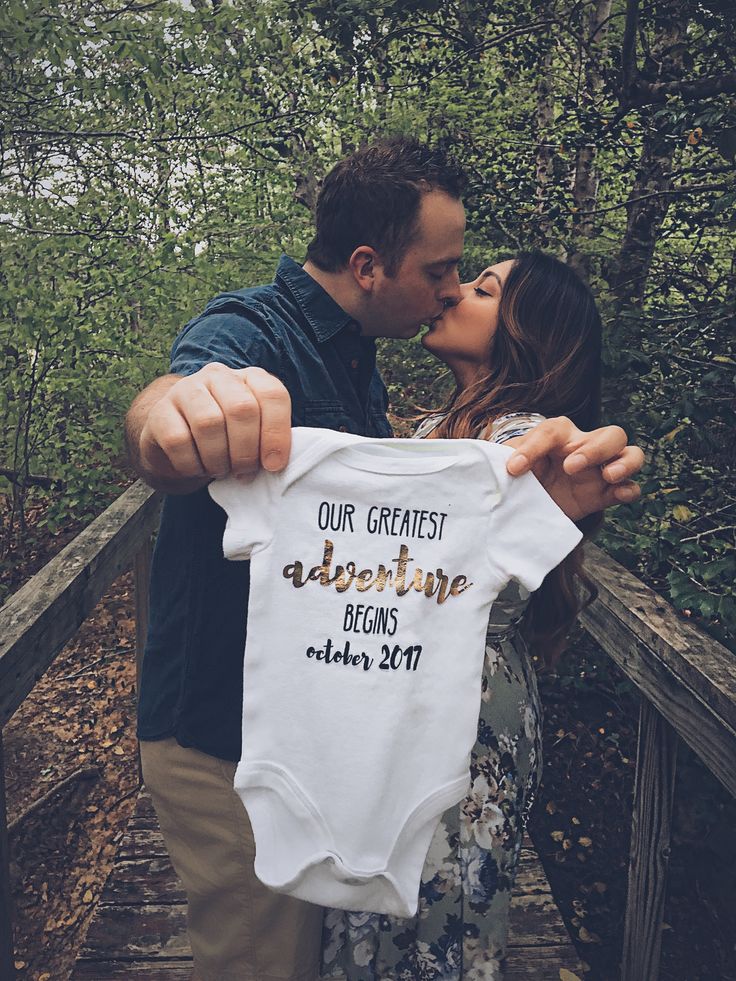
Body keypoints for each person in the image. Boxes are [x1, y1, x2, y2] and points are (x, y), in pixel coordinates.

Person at [124, 136, 643, 981]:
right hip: (227, 732)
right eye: (446, 270)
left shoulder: (374, 380)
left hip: (367, 744)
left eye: (471, 279)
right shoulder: (256, 330)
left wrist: (544, 501)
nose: (450, 288)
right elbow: (173, 402)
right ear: (369, 266)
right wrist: (173, 413)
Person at [319, 250, 607, 979]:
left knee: (437, 923)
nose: (453, 292)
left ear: (523, 330)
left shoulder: (518, 439)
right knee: (380, 912)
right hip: (404, 700)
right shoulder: (435, 427)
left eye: (483, 289)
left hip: (460, 724)